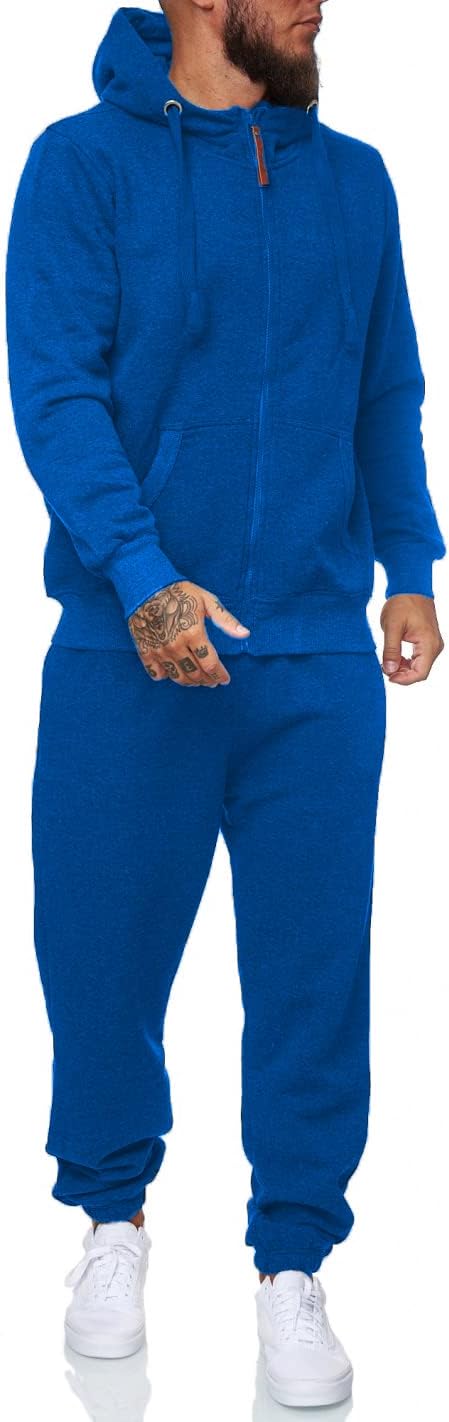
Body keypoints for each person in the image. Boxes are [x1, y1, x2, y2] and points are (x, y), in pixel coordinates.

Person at [5, 0, 445, 1407]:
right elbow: (55, 391)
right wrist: (144, 580)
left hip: (313, 655)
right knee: (99, 957)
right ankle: (111, 1220)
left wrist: (409, 562)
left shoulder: (355, 180)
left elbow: (385, 385)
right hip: (124, 650)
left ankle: (292, 1261)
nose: (319, 2)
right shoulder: (82, 165)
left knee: (315, 974)